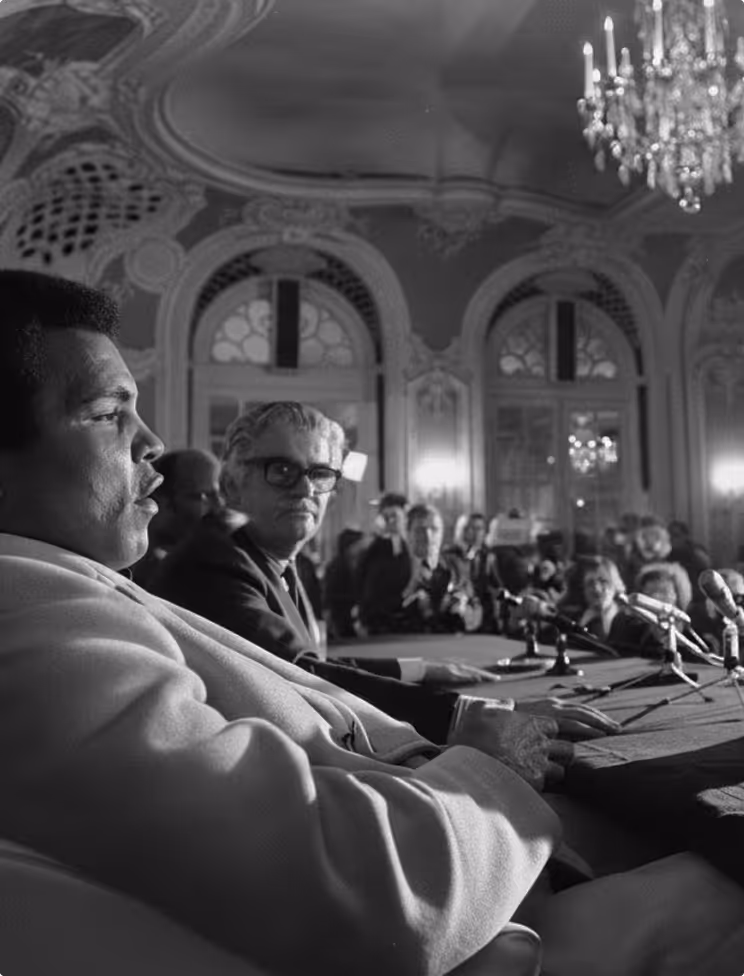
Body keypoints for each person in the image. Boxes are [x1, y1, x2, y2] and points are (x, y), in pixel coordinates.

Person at [2, 270, 743, 976]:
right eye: (107, 413)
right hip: (499, 929)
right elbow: (377, 894)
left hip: (484, 858)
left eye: (320, 474)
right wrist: (489, 759)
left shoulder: (71, 586)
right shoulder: (30, 622)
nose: (152, 441)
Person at [150, 403, 612, 735]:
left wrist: (418, 668)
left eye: (321, 474)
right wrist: (481, 714)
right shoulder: (215, 559)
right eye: (281, 471)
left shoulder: (273, 555)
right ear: (233, 482)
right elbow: (302, 677)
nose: (305, 489)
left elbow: (309, 662)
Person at [130, 448, 227, 588]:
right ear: (164, 502)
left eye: (221, 495)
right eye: (205, 496)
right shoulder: (143, 572)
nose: (219, 505)